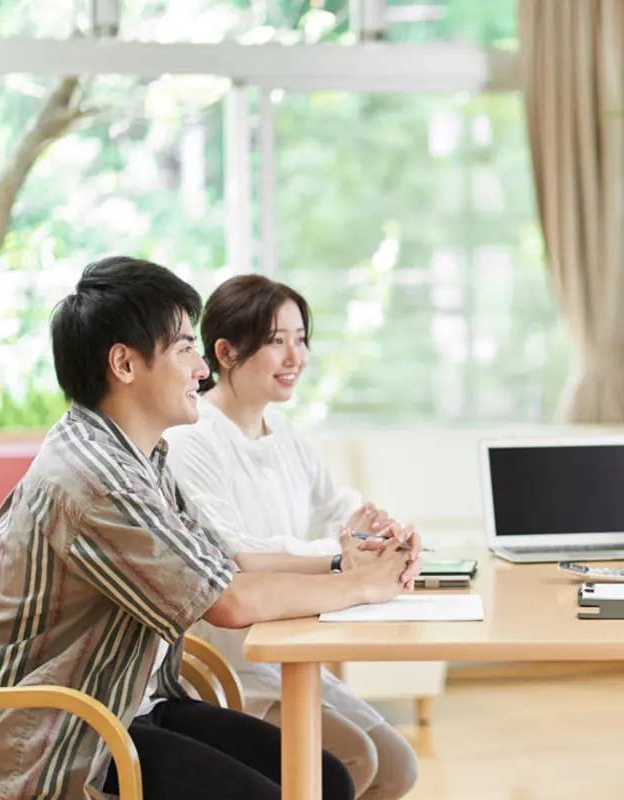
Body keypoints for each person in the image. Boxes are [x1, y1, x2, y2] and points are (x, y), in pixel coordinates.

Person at [0, 256, 420, 800]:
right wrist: (361, 586)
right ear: (124, 364)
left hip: (124, 707)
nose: (201, 368)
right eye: (184, 349)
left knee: (327, 778)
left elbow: (230, 560)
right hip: (58, 742)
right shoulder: (95, 481)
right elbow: (229, 602)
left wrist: (344, 564)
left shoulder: (140, 457)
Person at [156, 274, 418, 800]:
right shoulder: (191, 439)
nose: (294, 356)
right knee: (352, 762)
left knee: (397, 766)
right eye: (277, 341)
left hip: (292, 650)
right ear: (225, 352)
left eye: (300, 339)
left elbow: (339, 509)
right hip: (232, 662)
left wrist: (384, 536)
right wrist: (345, 558)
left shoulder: (282, 432)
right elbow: (239, 555)